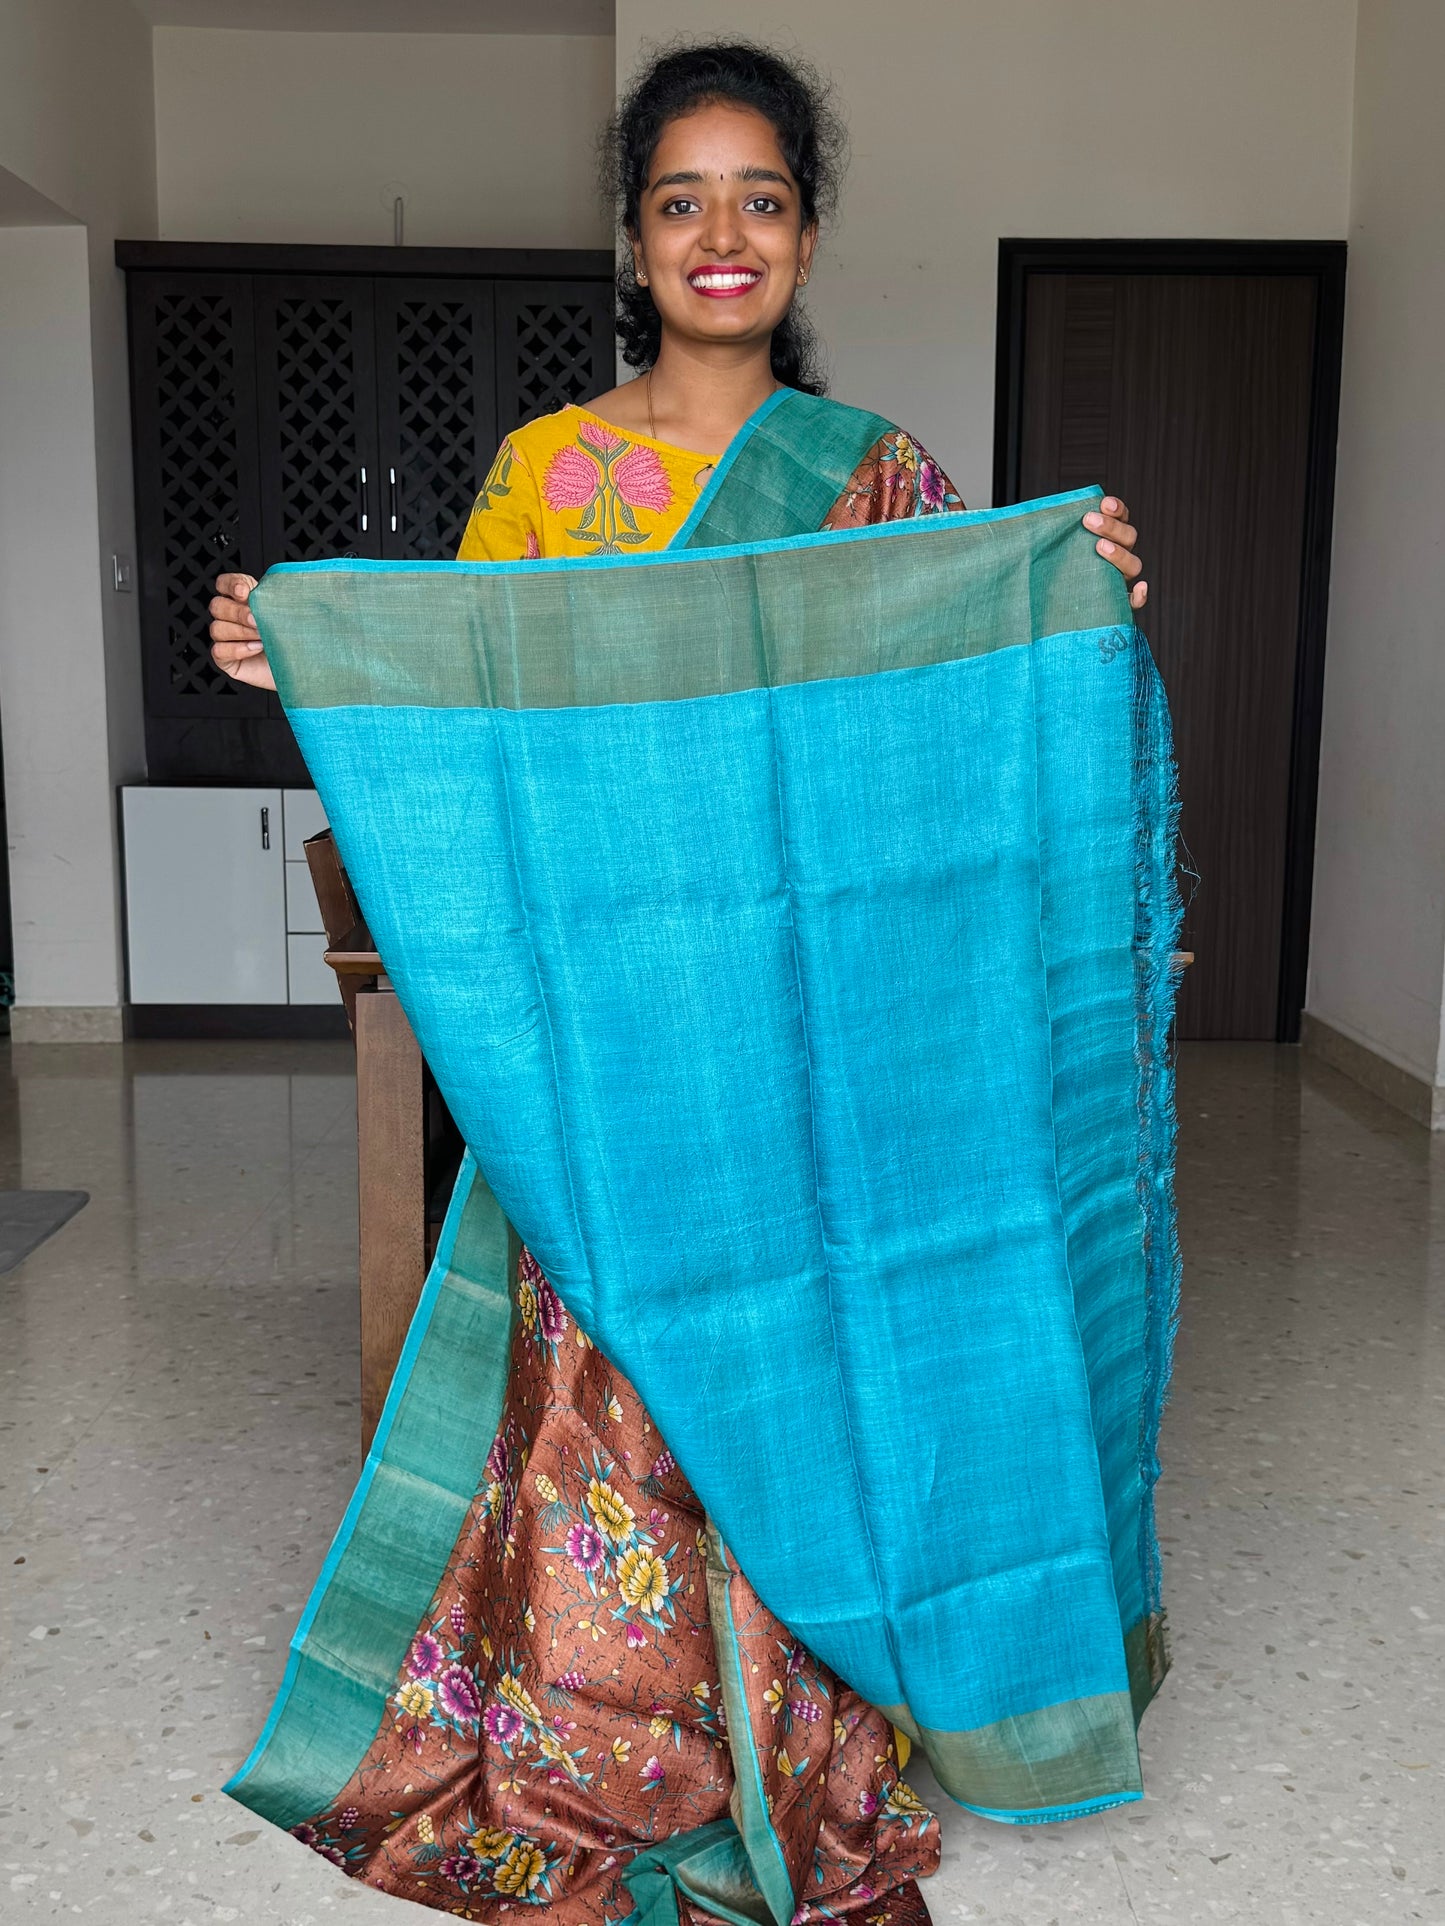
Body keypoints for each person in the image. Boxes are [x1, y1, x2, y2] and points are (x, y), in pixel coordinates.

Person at [210, 43, 1149, 1926]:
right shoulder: (549, 476)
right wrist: (303, 660)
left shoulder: (879, 479)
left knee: (808, 1363)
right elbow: (474, 732)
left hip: (820, 1054)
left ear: (805, 234)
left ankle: (816, 1718)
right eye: (680, 201)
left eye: (762, 199)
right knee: (619, 1376)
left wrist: (1070, 600)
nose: (723, 236)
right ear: (631, 243)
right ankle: (606, 1738)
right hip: (621, 1039)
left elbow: (948, 764)